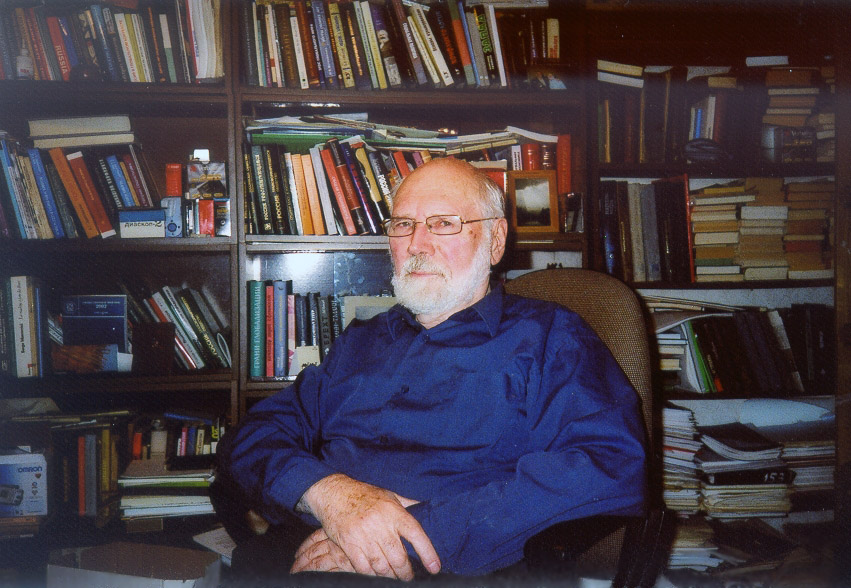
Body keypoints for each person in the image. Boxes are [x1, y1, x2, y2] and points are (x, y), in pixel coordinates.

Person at [213, 157, 647, 582]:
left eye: (442, 223)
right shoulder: (360, 342)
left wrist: (404, 536)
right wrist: (330, 495)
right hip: (310, 545)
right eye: (404, 224)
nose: (417, 244)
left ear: (495, 240)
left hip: (452, 569)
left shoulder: (551, 338)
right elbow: (253, 435)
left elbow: (610, 467)